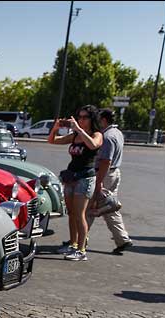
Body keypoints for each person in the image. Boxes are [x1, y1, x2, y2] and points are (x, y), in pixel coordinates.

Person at [49, 105, 103, 261]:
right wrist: (56, 127)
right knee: (71, 214)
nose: (81, 119)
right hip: (71, 177)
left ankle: (81, 250)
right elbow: (52, 141)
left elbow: (93, 145)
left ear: (92, 119)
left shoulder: (97, 134)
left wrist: (79, 129)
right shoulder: (74, 136)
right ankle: (72, 244)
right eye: (79, 116)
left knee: (80, 214)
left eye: (85, 117)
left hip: (85, 178)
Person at [86, 108, 132, 254]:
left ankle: (79, 239)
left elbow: (105, 161)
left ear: (104, 120)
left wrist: (98, 182)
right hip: (114, 173)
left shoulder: (107, 136)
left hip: (104, 174)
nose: (96, 122)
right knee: (109, 207)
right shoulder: (117, 133)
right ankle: (122, 239)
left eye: (98, 119)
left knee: (88, 207)